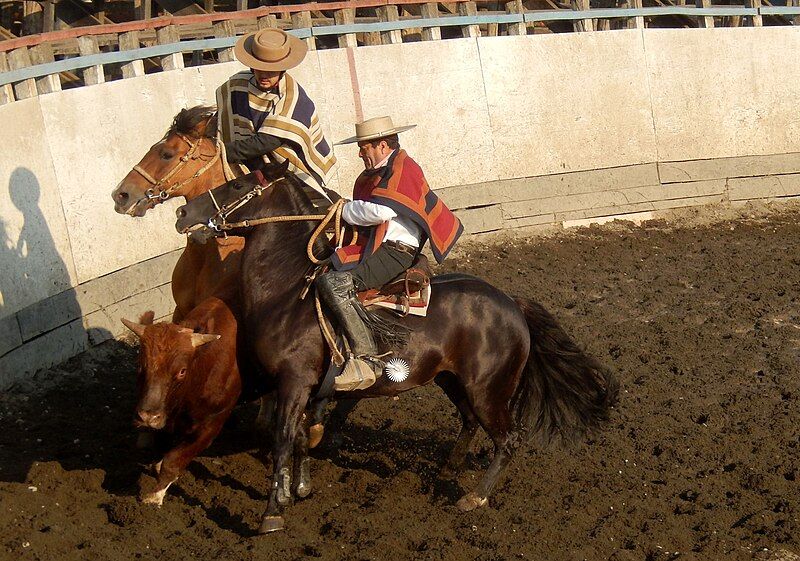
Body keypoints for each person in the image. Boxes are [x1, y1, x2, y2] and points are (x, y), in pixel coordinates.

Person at [316, 116, 464, 391]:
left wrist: (344, 210)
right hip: (382, 246)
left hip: (395, 251)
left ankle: (367, 357)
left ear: (382, 145)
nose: (360, 153)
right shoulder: (382, 172)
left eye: (364, 147)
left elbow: (383, 212)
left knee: (333, 283)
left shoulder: (403, 169)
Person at [216, 28, 336, 206]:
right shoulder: (235, 86)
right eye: (259, 69)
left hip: (287, 167)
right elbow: (223, 118)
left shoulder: (294, 98)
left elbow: (266, 142)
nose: (264, 75)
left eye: (271, 71)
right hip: (246, 160)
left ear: (282, 70)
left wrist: (221, 153)